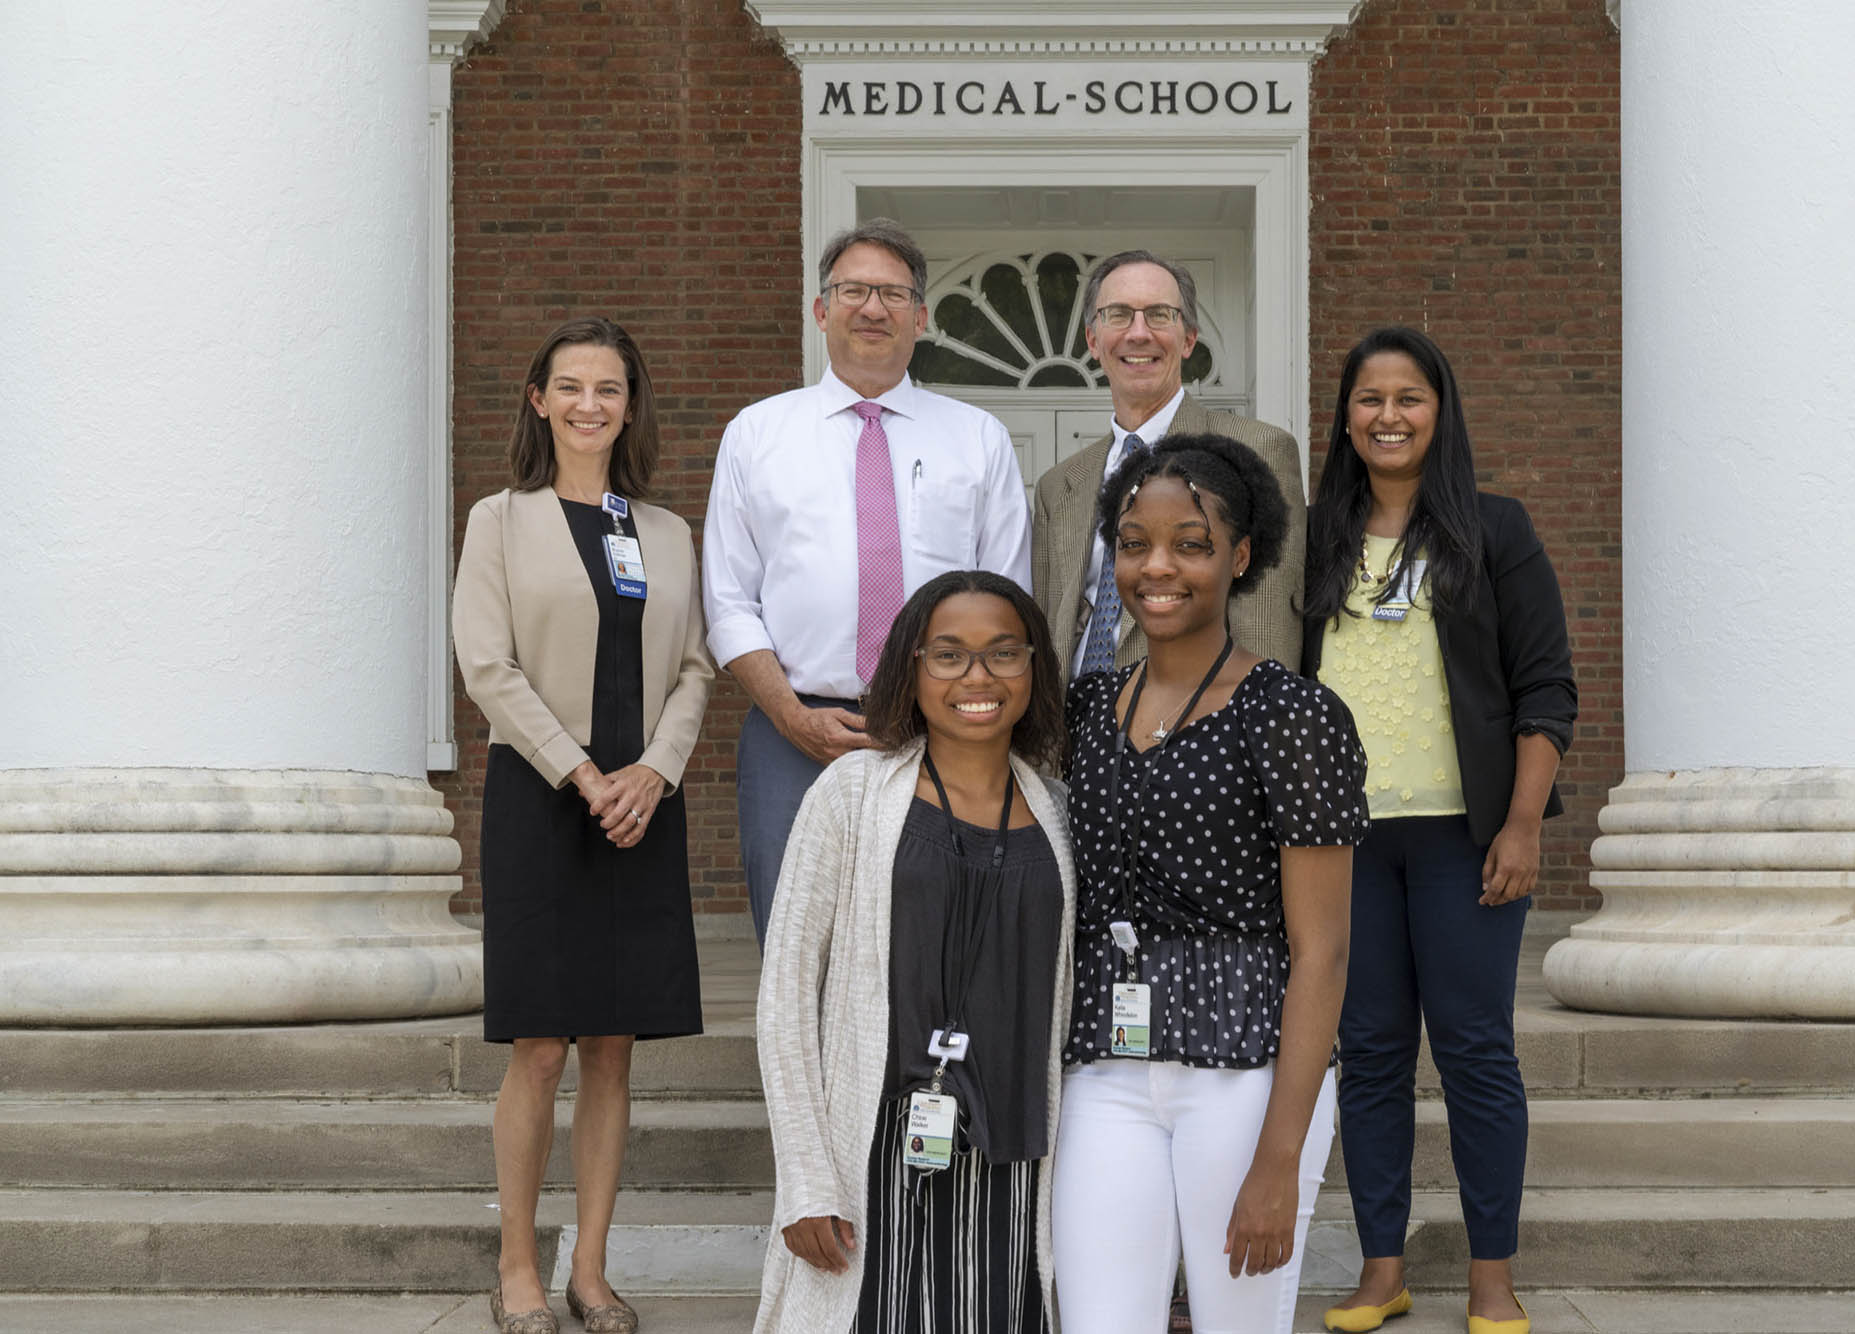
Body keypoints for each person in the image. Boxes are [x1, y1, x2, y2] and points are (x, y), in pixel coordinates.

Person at [1052, 433, 1368, 1333]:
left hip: (1245, 1073)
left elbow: (1325, 951)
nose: (1158, 567)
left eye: (1190, 543)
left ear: (1239, 556)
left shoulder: (1293, 715)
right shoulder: (1083, 712)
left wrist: (1280, 1157)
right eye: (1133, 541)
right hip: (1103, 1071)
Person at [1304, 328, 1576, 1334]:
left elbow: (1544, 689)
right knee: (1368, 1051)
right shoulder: (1314, 535)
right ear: (1344, 416)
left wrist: (1520, 825)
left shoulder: (1493, 530)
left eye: (1407, 397)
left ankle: (1491, 1276)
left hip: (1463, 838)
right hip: (1345, 843)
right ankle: (1382, 1268)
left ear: (1438, 410)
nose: (1386, 414)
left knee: (1472, 1052)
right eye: (1368, 397)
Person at [453, 317, 714, 1334]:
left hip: (644, 805)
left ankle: (590, 1270)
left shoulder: (664, 531)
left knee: (613, 1046)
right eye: (570, 386)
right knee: (542, 1046)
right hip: (541, 797)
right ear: (538, 399)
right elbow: (486, 666)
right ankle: (518, 1265)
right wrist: (582, 772)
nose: (589, 404)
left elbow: (694, 667)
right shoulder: (499, 519)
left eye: (609, 388)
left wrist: (652, 769)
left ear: (630, 404)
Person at [753, 570, 1074, 1334]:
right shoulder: (851, 793)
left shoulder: (1057, 809)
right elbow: (787, 990)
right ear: (912, 666)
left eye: (1004, 653)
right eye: (949, 655)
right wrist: (806, 1180)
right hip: (877, 1155)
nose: (978, 677)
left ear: (1033, 669)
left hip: (1015, 1162)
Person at [703, 218, 1033, 948]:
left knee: (937, 940)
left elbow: (1010, 605)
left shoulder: (977, 438)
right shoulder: (756, 435)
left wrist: (950, 716)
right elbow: (729, 602)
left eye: (892, 293)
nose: (872, 308)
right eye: (853, 290)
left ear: (921, 316)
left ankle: (926, 1072)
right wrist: (792, 716)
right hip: (795, 732)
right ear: (822, 311)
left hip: (944, 727)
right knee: (797, 945)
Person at [1032, 250, 1308, 681]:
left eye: (1159, 315)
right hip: (1076, 732)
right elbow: (1053, 631)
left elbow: (1265, 633)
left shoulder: (1257, 451)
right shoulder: (1059, 485)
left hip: (1195, 731)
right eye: (1118, 315)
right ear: (1092, 340)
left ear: (1189, 338)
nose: (1138, 334)